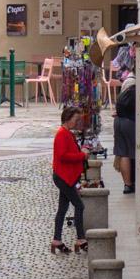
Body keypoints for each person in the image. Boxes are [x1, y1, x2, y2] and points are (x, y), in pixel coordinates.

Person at [52, 102, 88, 253]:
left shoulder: (67, 133)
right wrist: (82, 155)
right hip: (63, 177)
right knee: (79, 205)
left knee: (63, 208)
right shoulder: (62, 134)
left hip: (66, 177)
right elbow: (62, 156)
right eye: (75, 119)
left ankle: (57, 240)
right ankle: (80, 239)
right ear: (67, 118)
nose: (76, 122)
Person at [112, 76, 137, 195]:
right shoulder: (139, 89)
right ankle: (136, 182)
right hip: (130, 122)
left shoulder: (127, 87)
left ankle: (127, 185)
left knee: (123, 154)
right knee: (136, 152)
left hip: (118, 121)